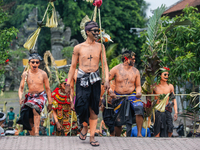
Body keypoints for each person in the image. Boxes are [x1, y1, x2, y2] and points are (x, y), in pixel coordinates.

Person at [65, 21, 110, 146]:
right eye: (94, 30)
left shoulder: (101, 46)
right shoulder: (78, 48)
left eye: (98, 30)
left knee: (94, 108)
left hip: (95, 79)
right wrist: (68, 84)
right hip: (82, 78)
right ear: (87, 32)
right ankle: (84, 125)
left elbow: (104, 64)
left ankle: (92, 137)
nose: (97, 33)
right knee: (80, 105)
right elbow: (73, 66)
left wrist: (106, 79)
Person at [109, 50, 143, 137]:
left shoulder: (136, 71)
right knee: (118, 118)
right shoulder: (115, 69)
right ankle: (118, 136)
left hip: (132, 95)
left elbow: (138, 85)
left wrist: (139, 92)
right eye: (133, 59)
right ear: (126, 59)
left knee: (139, 107)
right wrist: (110, 91)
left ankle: (139, 133)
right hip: (118, 96)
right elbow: (106, 81)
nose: (134, 61)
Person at [17, 53, 52, 136]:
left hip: (41, 95)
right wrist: (20, 97)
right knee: (27, 115)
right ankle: (32, 135)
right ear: (29, 63)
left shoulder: (43, 74)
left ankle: (36, 133)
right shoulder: (25, 74)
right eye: (33, 62)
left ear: (39, 63)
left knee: (35, 109)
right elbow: (21, 88)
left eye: (37, 62)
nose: (35, 64)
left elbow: (48, 88)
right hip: (30, 96)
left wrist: (50, 103)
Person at [153, 67, 178, 137]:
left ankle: (168, 143)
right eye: (165, 75)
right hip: (158, 110)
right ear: (160, 75)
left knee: (170, 128)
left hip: (167, 109)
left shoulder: (170, 86)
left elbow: (174, 99)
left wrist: (176, 112)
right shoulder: (154, 86)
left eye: (168, 75)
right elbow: (150, 98)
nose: (167, 76)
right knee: (158, 129)